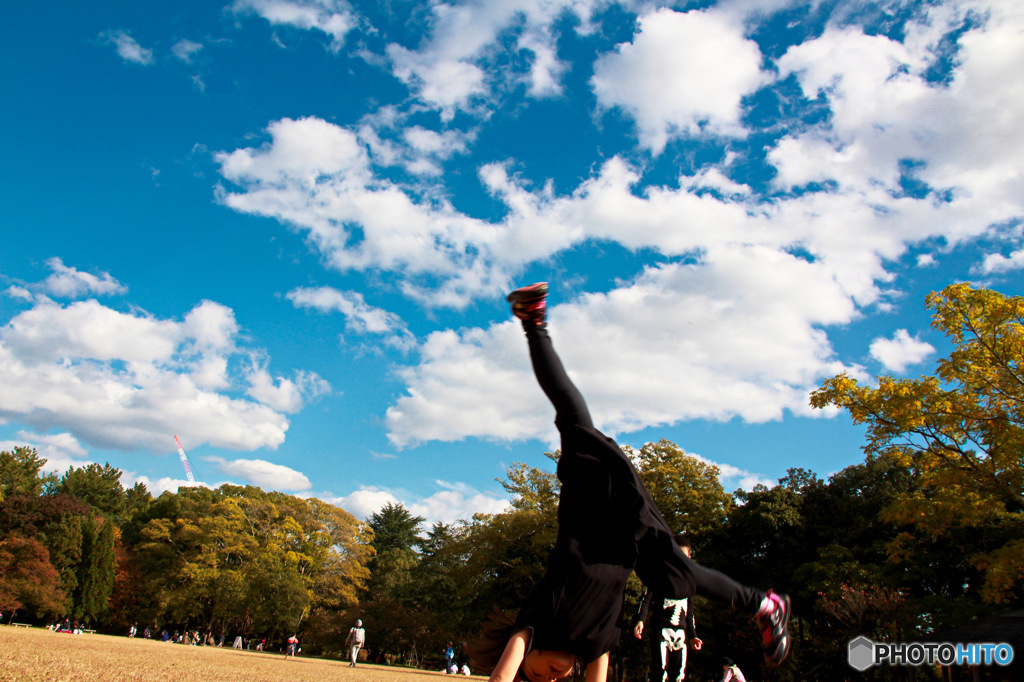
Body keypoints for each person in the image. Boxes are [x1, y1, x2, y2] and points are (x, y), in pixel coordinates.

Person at [468, 283, 791, 682]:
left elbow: (501, 678)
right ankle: (765, 606)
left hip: (594, 505)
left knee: (571, 414)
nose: (551, 679)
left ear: (525, 657)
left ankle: (534, 323)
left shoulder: (536, 623)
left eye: (534, 678)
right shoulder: (593, 644)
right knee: (679, 579)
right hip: (630, 538)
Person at [634, 534, 703, 681]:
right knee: (659, 671)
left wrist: (693, 635)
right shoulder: (659, 577)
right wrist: (641, 620)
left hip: (681, 632)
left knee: (679, 674)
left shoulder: (690, 584)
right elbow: (646, 600)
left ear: (689, 558)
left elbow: (689, 613)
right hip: (661, 630)